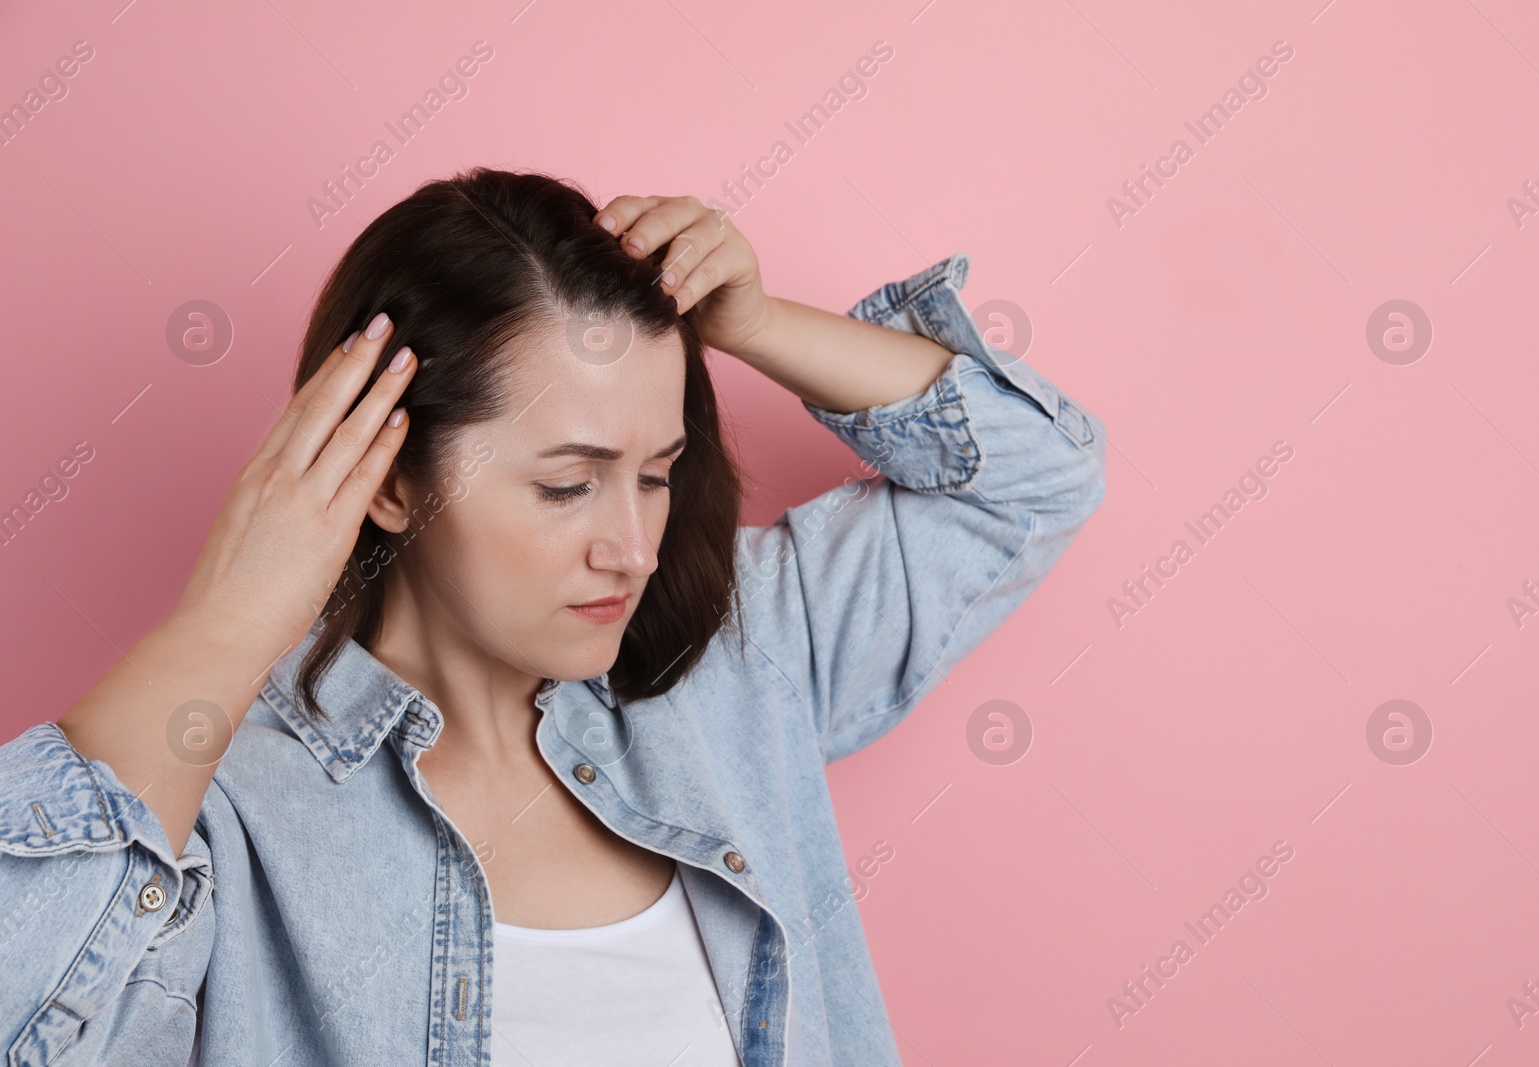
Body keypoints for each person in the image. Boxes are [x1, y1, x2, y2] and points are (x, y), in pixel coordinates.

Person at [0, 167, 1107, 1065]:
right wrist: (229, 620)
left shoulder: (737, 658)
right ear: (391, 476)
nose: (629, 546)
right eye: (566, 484)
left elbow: (1036, 473)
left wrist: (757, 324)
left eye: (658, 472)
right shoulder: (225, 800)